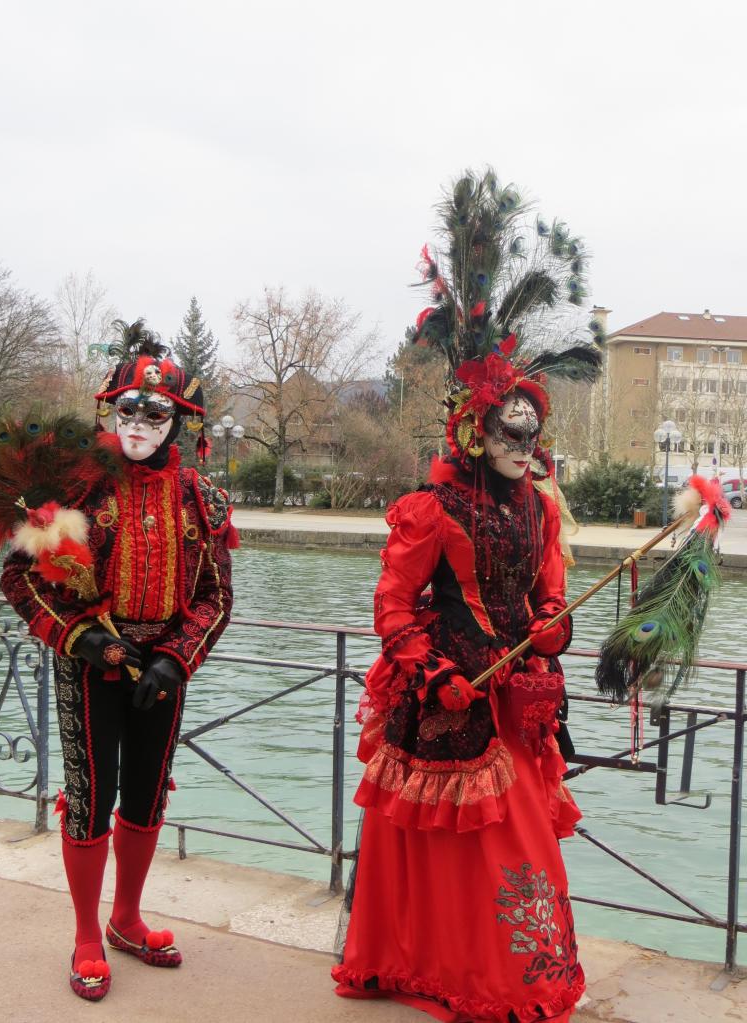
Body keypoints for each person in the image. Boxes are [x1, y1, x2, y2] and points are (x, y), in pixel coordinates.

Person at [332, 171, 602, 1022]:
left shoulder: (542, 509)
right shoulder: (431, 510)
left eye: (533, 431)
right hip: (449, 693)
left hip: (521, 701)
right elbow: (393, 609)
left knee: (517, 845)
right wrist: (434, 669)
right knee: (457, 847)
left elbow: (547, 604)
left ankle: (507, 977)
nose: (524, 445)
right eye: (506, 432)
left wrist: (554, 632)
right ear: (472, 433)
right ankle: (434, 967)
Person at [0, 320, 235, 1001]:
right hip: (88, 664)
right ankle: (84, 933)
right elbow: (19, 580)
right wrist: (81, 639)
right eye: (127, 408)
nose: (139, 421)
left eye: (155, 411)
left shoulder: (201, 498)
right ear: (109, 411)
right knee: (92, 798)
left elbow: (217, 597)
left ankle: (127, 918)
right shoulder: (71, 491)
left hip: (162, 669)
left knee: (147, 791)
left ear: (177, 421)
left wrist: (176, 658)